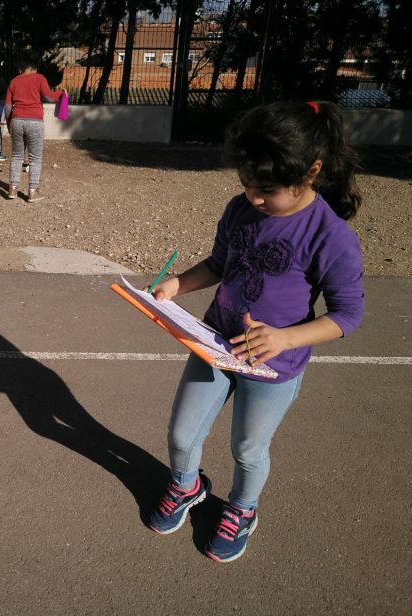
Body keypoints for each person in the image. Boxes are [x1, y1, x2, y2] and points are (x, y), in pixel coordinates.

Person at [146, 100, 365, 563]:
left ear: (312, 170)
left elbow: (347, 315)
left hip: (273, 365)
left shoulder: (331, 236)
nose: (253, 198)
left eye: (265, 189)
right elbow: (218, 264)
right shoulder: (240, 209)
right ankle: (186, 487)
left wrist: (284, 338)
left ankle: (242, 509)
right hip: (214, 342)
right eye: (245, 183)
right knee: (182, 434)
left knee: (248, 449)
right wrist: (178, 284)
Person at [4, 57, 65, 202]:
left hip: (16, 121)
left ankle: (12, 188)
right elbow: (49, 98)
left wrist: (9, 123)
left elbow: (7, 107)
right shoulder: (39, 78)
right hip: (35, 122)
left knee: (17, 155)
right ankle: (32, 191)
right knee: (35, 157)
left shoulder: (14, 81)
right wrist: (61, 93)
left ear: (21, 69)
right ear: (34, 68)